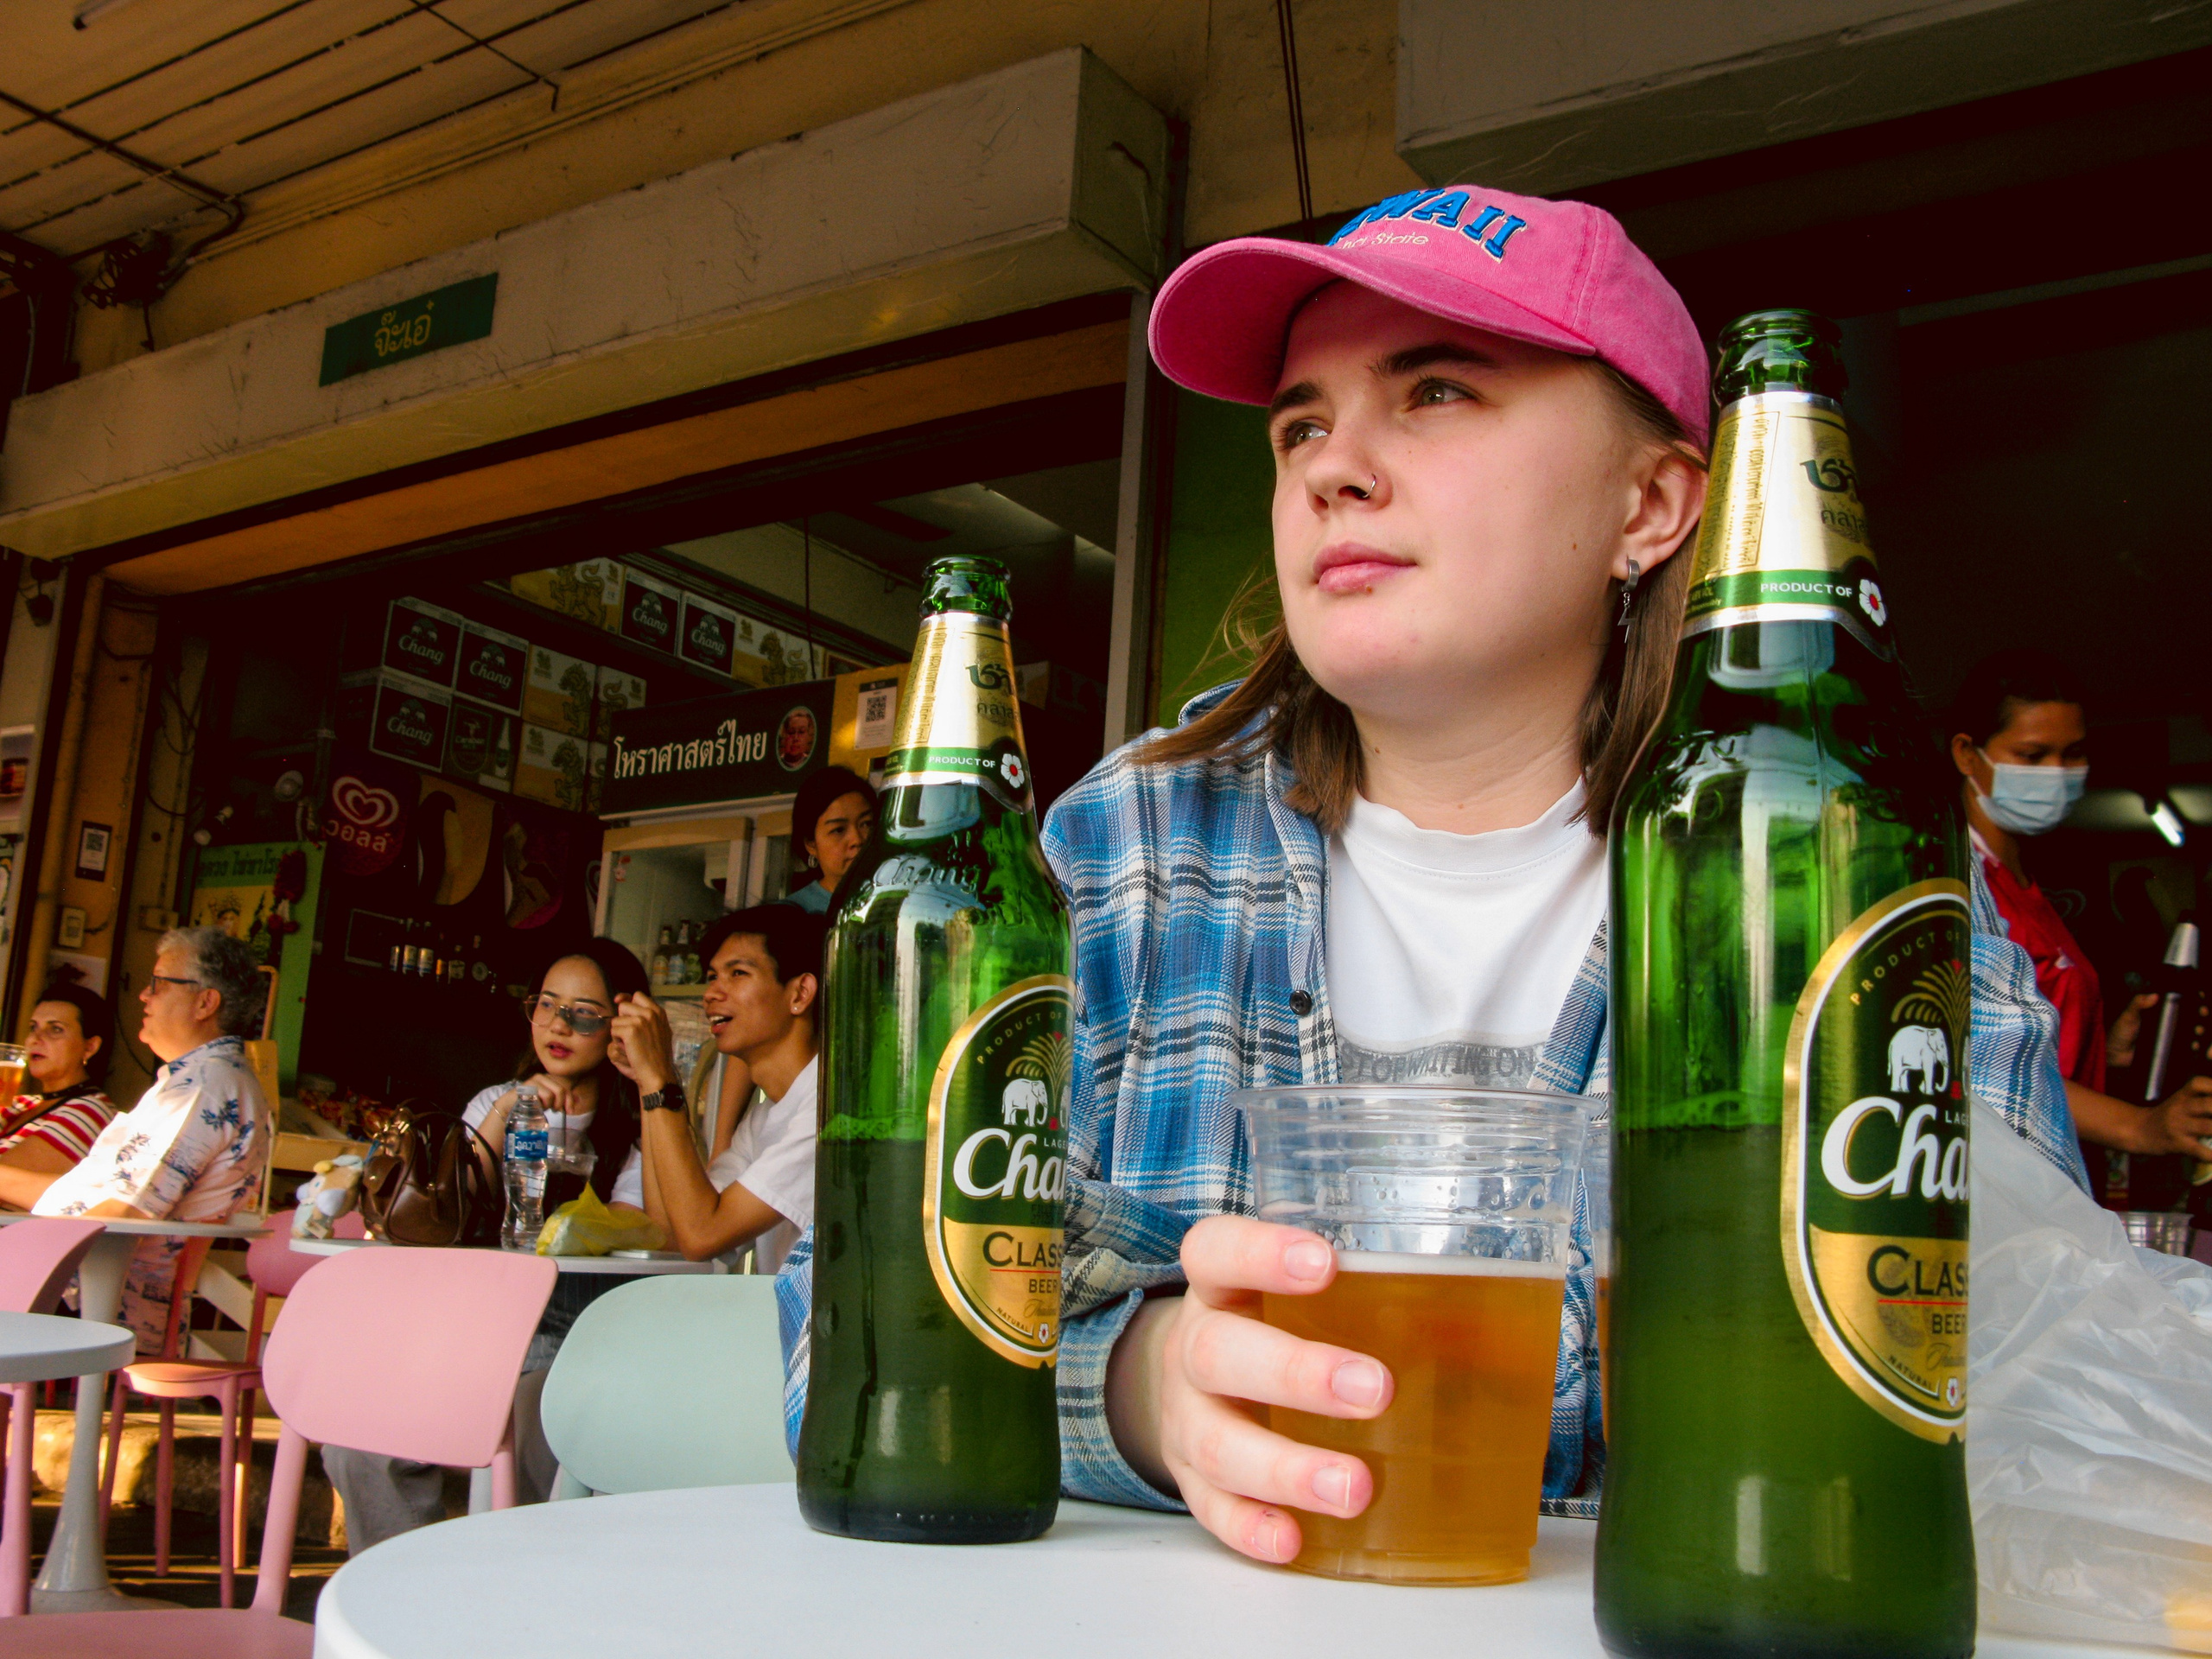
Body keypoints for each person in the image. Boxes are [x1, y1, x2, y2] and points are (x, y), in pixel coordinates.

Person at [773, 182, 2095, 1562]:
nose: (1331, 470)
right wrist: (1141, 1391)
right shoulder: (1127, 850)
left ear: (1652, 503)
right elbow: (828, 1352)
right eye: (1300, 426)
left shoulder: (1849, 854)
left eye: (1439, 391)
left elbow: (2048, 1387)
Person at [324, 939, 654, 1551]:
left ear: (620, 1026)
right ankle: (407, 1590)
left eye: (584, 1014)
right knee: (357, 1443)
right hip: (475, 1323)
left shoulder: (638, 1126)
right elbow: (452, 1208)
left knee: (537, 1423)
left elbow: (635, 1228)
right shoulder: (493, 1102)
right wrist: (507, 1109)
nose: (558, 1026)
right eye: (546, 1005)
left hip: (574, 1329)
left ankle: (511, 1581)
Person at [1948, 649, 2212, 1160]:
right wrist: (2139, 1127)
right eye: (2033, 755)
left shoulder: (2027, 888)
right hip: (2009, 1178)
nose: (2057, 772)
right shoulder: (1956, 883)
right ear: (1966, 754)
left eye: (2072, 754)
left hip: (2062, 1171)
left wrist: (2106, 1051)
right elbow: (1980, 1065)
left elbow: (2041, 1056)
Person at [11, 929, 268, 1353]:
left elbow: (123, 1212)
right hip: (85, 1291)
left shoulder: (205, 1087)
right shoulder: (198, 1079)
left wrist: (21, 1252)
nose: (144, 997)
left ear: (206, 1002)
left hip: (92, 1304)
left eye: (159, 984)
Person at [613, 906, 823, 1269]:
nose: (711, 993)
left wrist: (659, 1079)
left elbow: (702, 1234)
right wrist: (649, 1083)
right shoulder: (761, 1120)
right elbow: (672, 1234)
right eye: (712, 976)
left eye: (738, 973)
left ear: (800, 994)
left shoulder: (827, 1107)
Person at [0, 983, 118, 1179]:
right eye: (33, 1027)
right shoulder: (20, 1104)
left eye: (55, 1029)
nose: (34, 1039)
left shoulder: (91, 1111)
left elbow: (7, 1183)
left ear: (90, 1047)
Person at [779, 766, 877, 916]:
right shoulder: (790, 915)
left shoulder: (901, 899)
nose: (857, 840)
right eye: (838, 830)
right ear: (811, 844)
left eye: (866, 824)